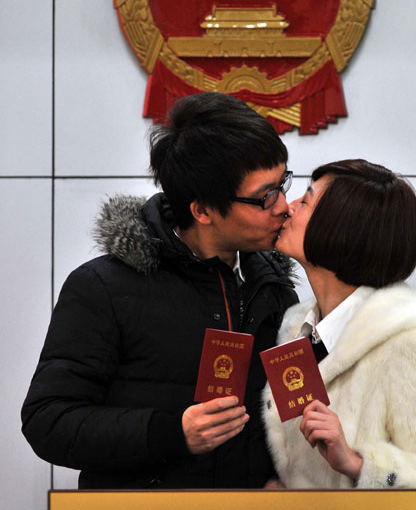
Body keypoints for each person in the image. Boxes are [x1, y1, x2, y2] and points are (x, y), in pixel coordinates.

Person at [21, 92, 297, 489]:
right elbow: (49, 421)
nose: (283, 206)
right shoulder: (104, 288)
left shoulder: (272, 288)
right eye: (264, 197)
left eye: (283, 183)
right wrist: (170, 434)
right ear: (202, 211)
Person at [262, 159, 416, 510]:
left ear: (341, 230)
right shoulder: (298, 329)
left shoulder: (408, 340)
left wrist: (357, 463)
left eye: (306, 201)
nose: (289, 206)